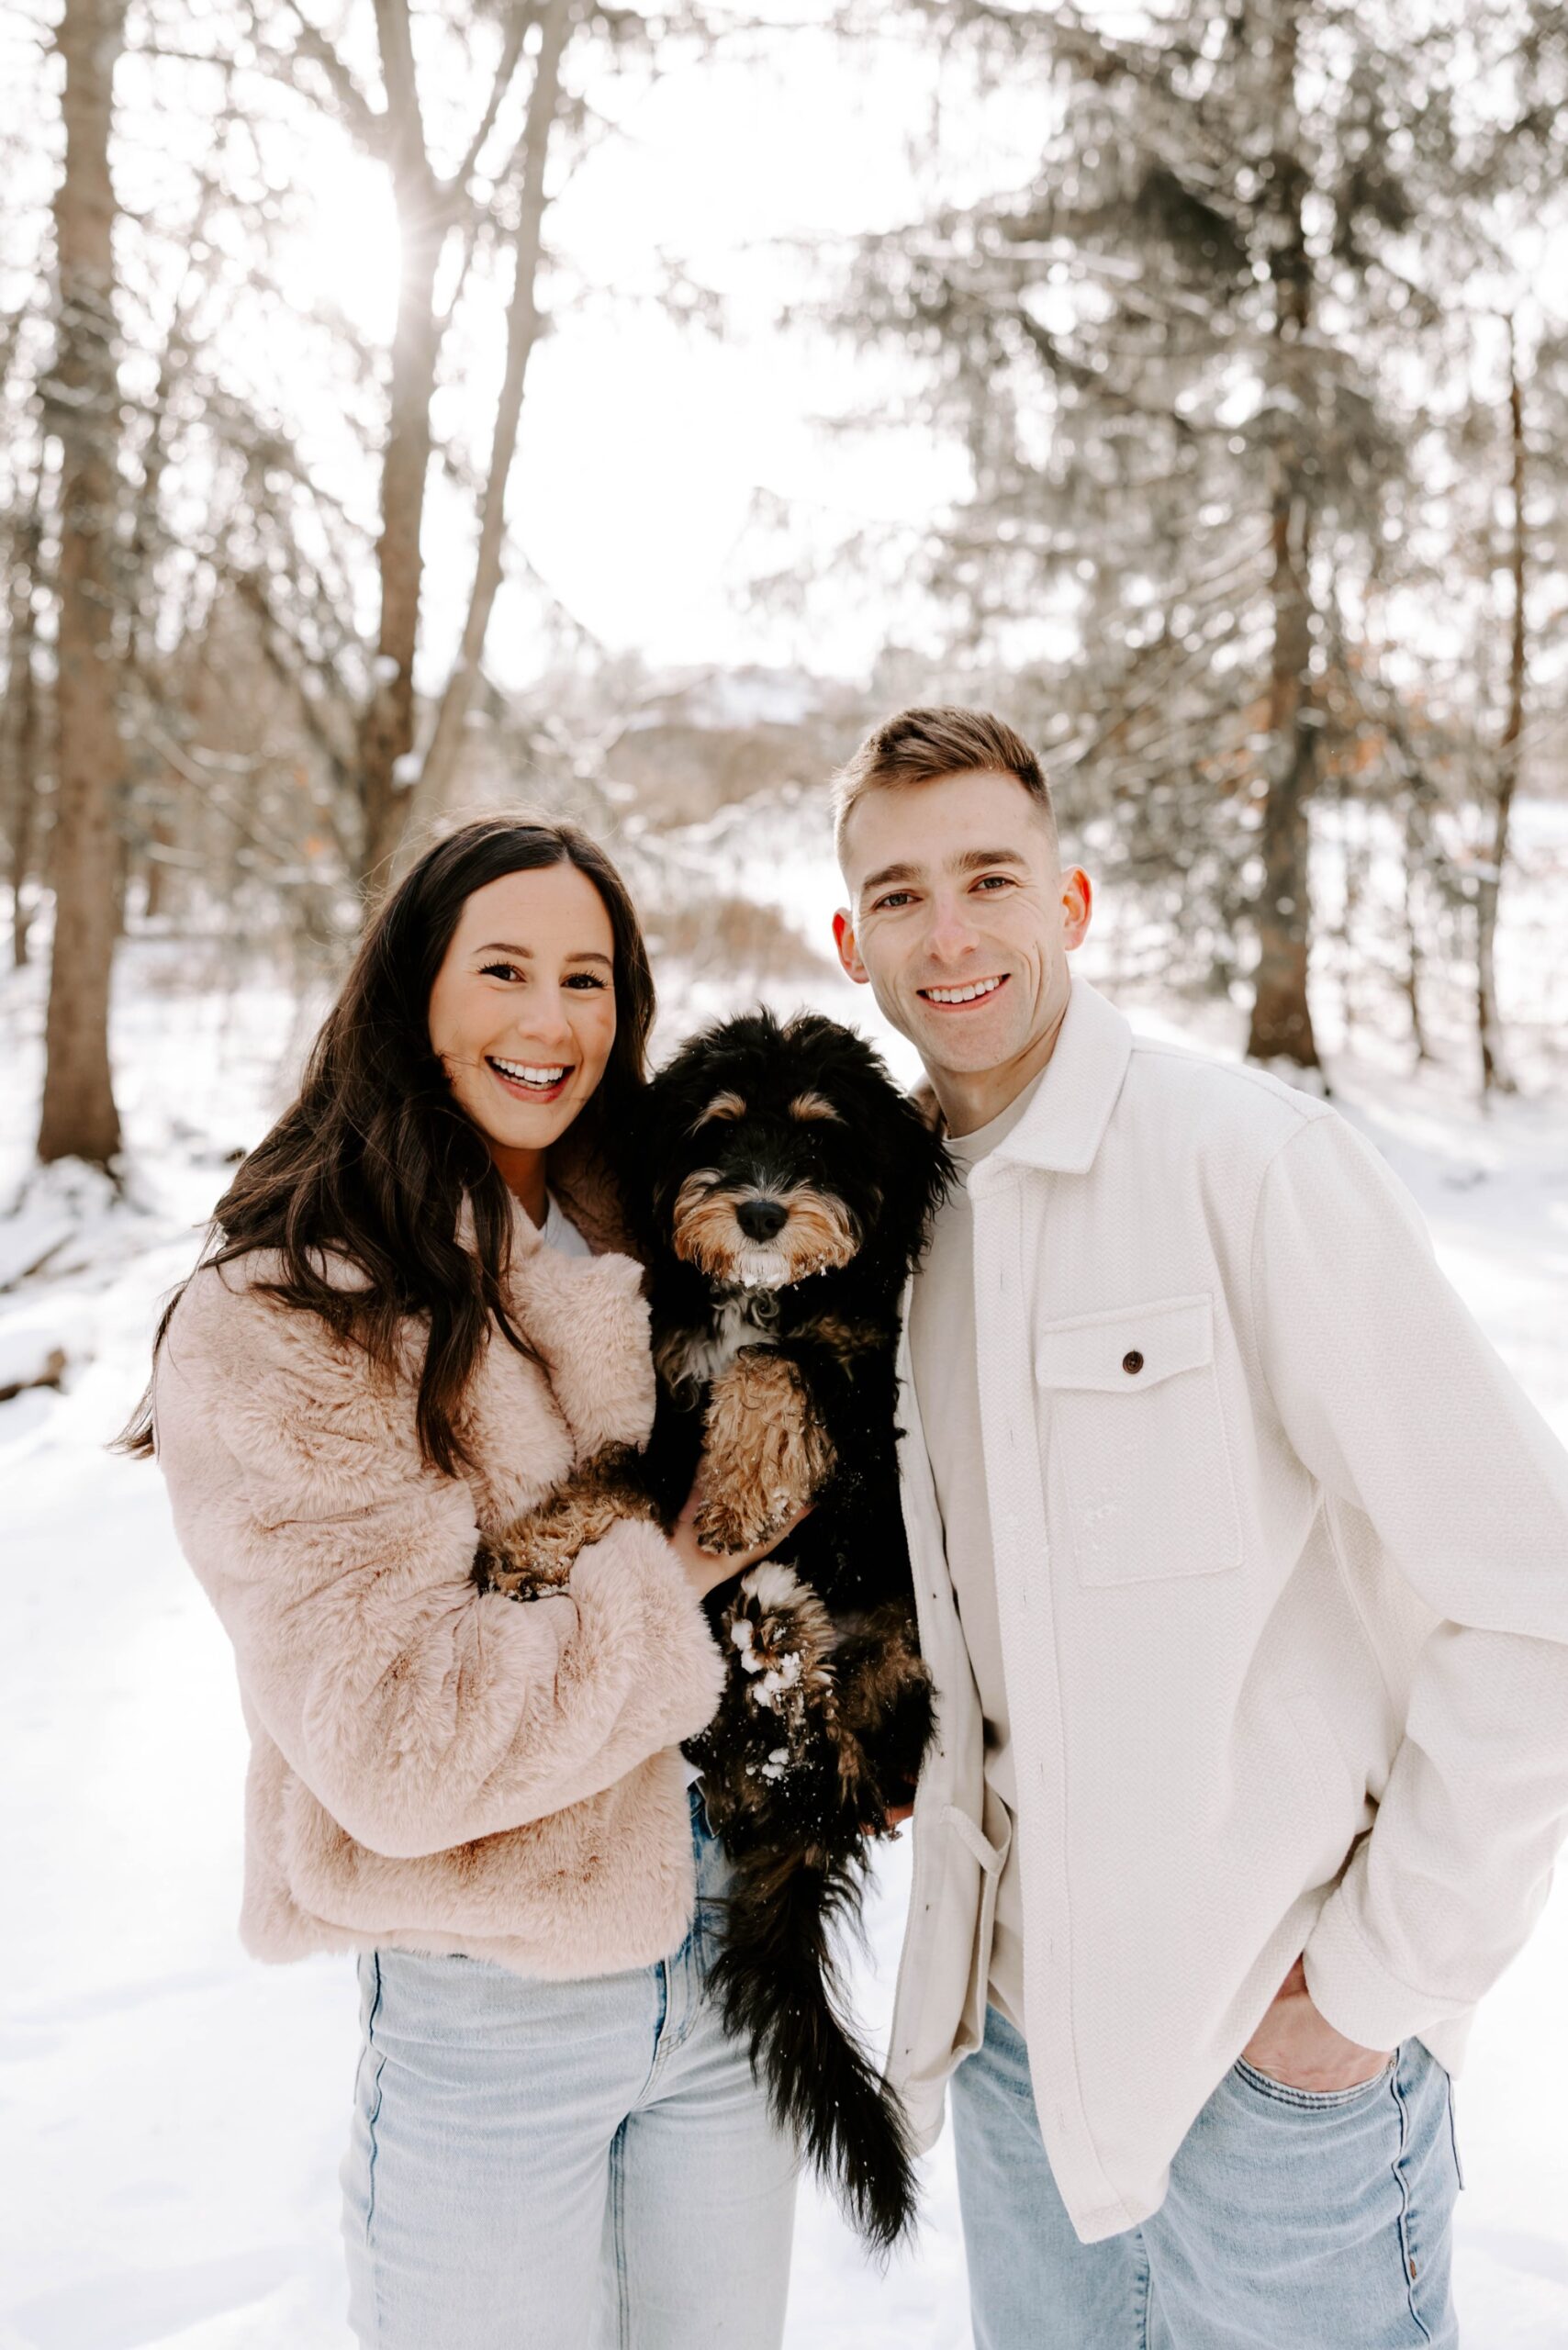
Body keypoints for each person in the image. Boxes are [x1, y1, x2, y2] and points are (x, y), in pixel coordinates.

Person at [830, 706, 1568, 2348]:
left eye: (988, 878)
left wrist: (1372, 1987)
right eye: (897, 895)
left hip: (1276, 2068)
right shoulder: (892, 1234)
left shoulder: (1248, 1166)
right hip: (1019, 2062)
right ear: (850, 940)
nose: (948, 933)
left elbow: (1536, 1599)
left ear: (1072, 903)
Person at [126, 815, 800, 2350]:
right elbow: (397, 1751)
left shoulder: (669, 1235)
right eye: (502, 969)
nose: (550, 1023)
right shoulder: (290, 1313)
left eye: (589, 978)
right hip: (497, 1999)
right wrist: (685, 1557)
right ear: (413, 992)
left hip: (736, 1976)